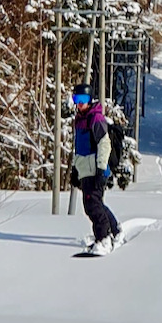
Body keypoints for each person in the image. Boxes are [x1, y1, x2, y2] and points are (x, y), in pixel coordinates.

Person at [72, 83, 121, 255]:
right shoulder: (80, 120)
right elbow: (79, 147)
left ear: (90, 99)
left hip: (95, 170)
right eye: (76, 99)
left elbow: (104, 144)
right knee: (95, 203)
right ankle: (114, 230)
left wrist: (101, 169)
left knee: (92, 205)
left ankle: (104, 239)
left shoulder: (95, 119)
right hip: (85, 169)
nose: (79, 103)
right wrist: (75, 169)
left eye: (83, 99)